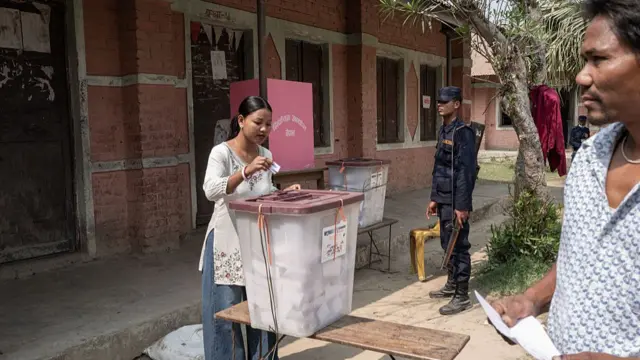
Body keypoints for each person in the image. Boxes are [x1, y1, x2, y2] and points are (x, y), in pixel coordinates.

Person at [491, 0, 640, 358]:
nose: (582, 76)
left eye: (599, 59)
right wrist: (532, 299)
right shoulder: (588, 159)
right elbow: (578, 255)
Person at [199, 96, 300, 360]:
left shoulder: (266, 155)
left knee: (262, 311)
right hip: (226, 243)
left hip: (257, 243)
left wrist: (282, 193)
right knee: (226, 314)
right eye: (258, 122)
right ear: (242, 121)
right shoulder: (221, 153)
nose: (264, 129)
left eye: (269, 124)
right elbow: (210, 190)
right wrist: (244, 172)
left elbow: (263, 192)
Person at [426, 86, 477, 315]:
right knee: (447, 244)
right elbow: (440, 168)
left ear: (456, 104)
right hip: (444, 197)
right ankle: (451, 284)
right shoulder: (444, 130)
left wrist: (462, 206)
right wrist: (434, 197)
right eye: (438, 100)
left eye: (445, 101)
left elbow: (466, 171)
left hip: (457, 200)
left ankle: (462, 295)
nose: (440, 104)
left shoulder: (462, 132)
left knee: (458, 247)